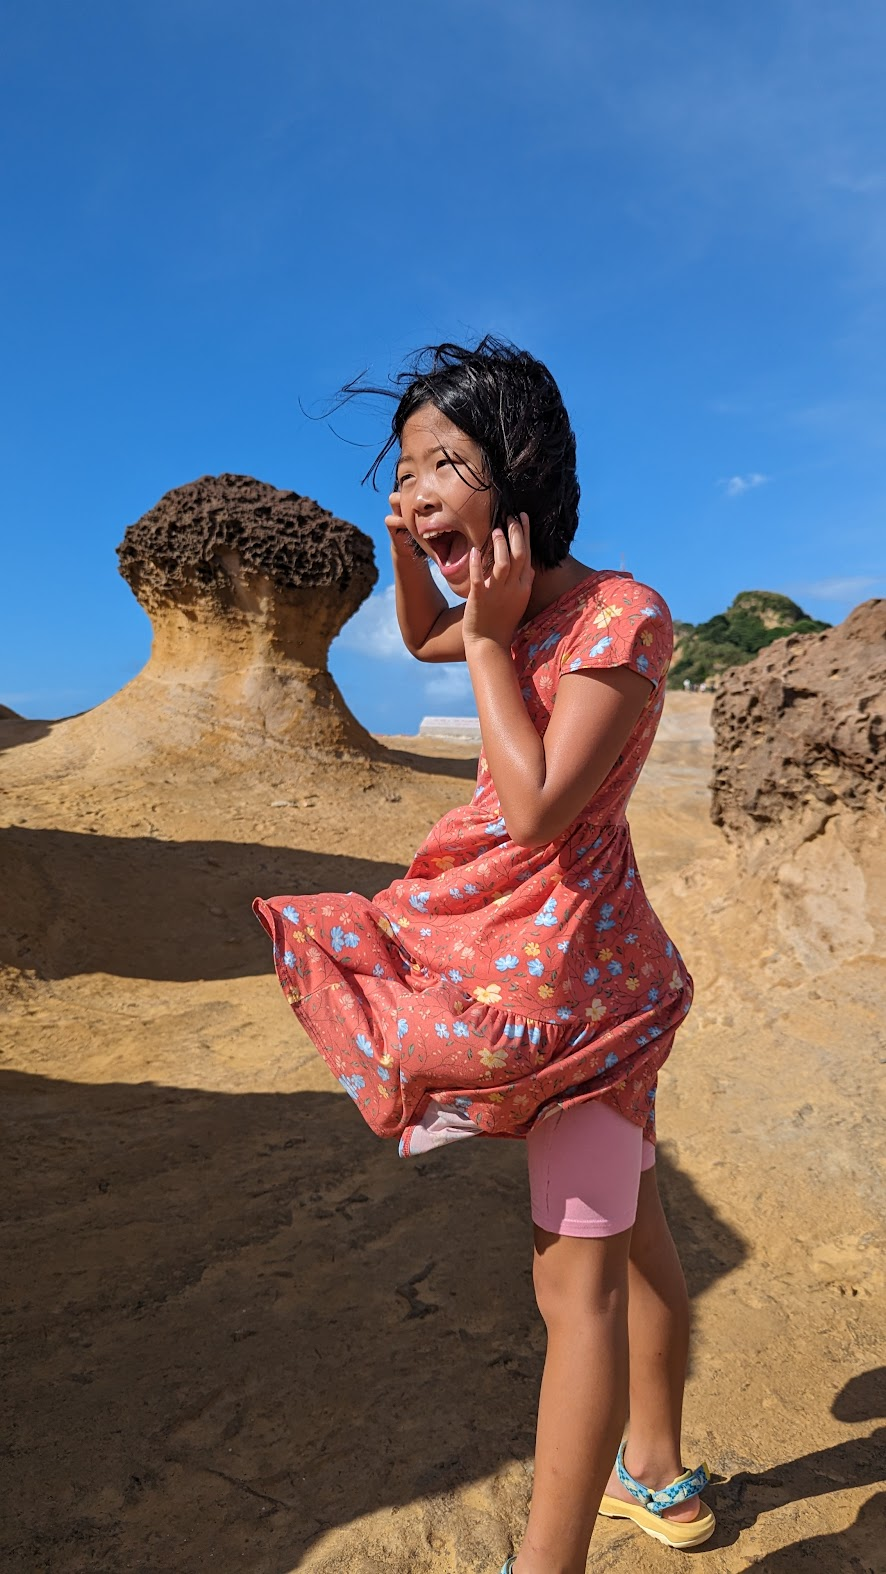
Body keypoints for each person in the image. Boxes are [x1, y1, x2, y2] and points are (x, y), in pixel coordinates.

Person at [253, 338, 714, 1573]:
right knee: (636, 1231)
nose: (416, 488)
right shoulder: (503, 609)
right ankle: (660, 1470)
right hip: (550, 965)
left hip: (578, 996)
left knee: (575, 1287)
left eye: (444, 463)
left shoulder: (621, 615)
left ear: (522, 466)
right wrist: (420, 556)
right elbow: (421, 639)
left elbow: (538, 809)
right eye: (406, 469)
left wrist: (498, 640)